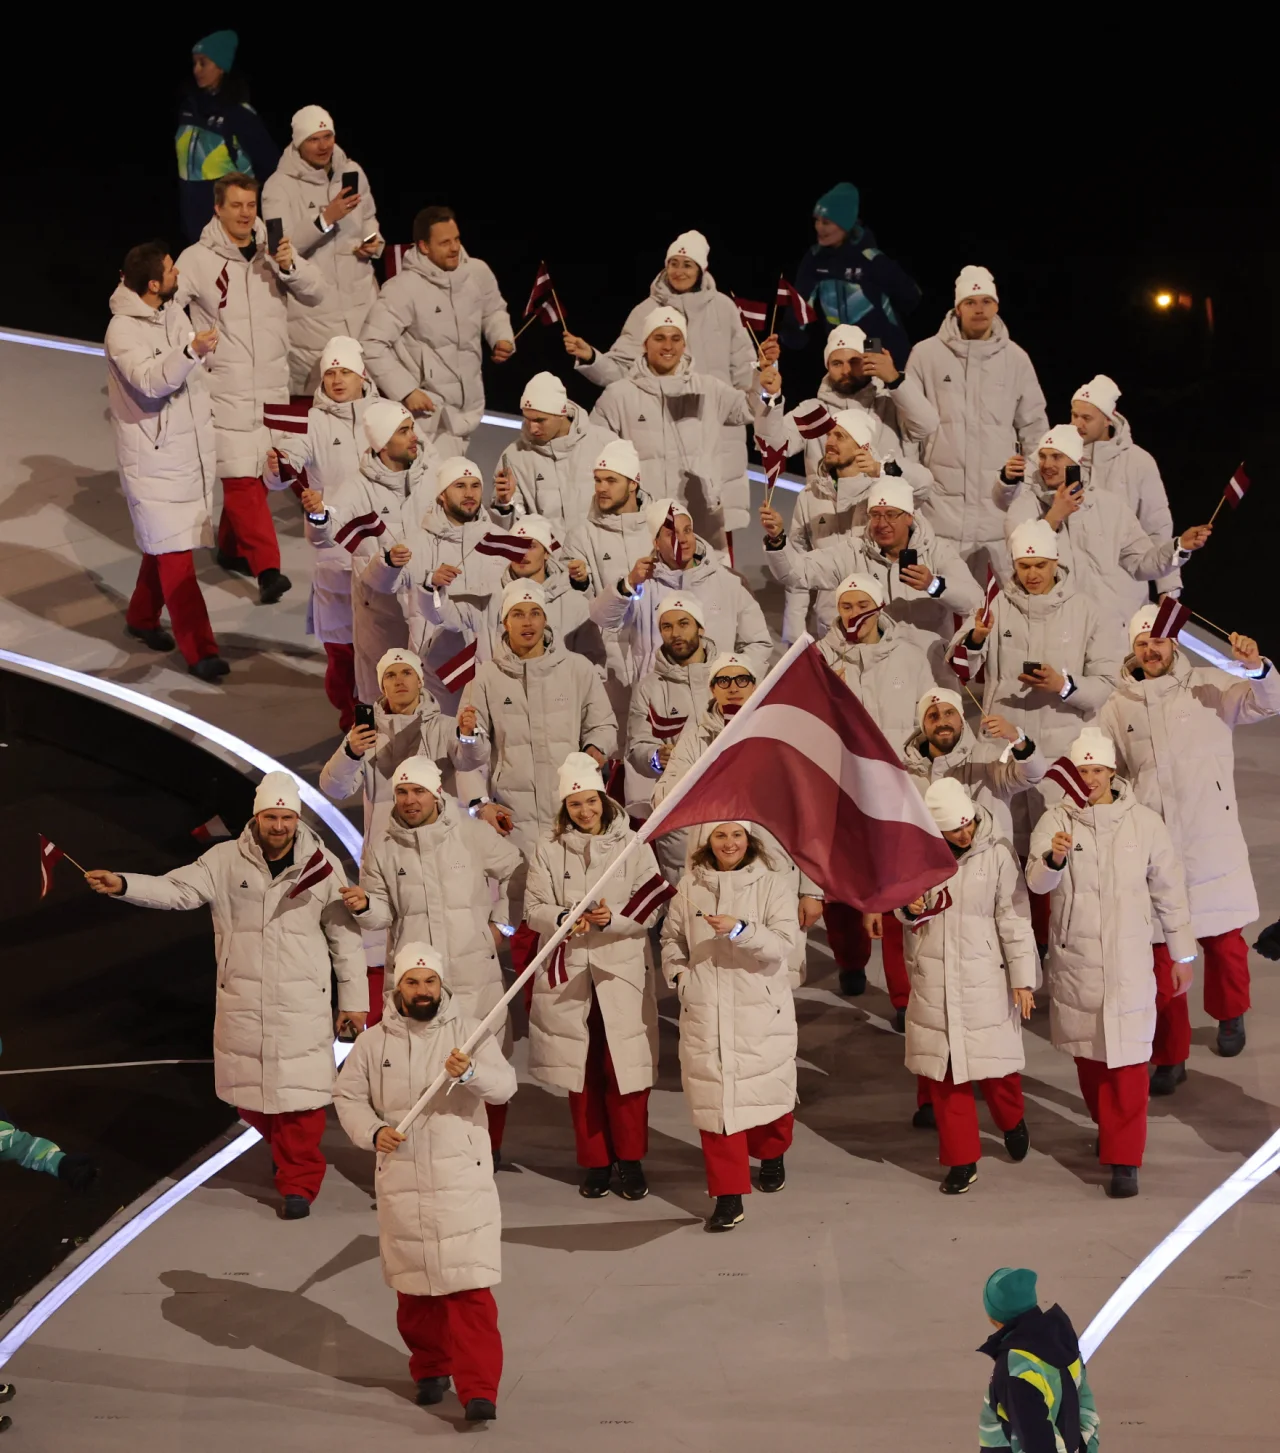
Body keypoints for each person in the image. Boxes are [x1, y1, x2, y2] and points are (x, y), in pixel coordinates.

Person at [85, 771, 365, 1218]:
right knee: (250, 1098)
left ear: (297, 818)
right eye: (271, 817)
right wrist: (124, 884)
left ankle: (299, 1183)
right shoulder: (223, 860)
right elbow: (176, 890)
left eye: (287, 818)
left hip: (302, 1003)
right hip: (243, 1000)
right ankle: (287, 1154)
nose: (279, 826)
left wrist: (353, 1003)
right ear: (257, 817)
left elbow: (345, 939)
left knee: (301, 1102)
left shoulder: (322, 866)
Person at [333, 943, 515, 1422]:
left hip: (461, 1181)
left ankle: (480, 1390)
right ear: (398, 986)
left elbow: (504, 1087)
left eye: (430, 981)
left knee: (469, 1289)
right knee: (415, 1291)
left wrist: (471, 1072)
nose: (422, 991)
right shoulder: (373, 1043)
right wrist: (373, 1132)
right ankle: (431, 1369)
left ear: (441, 984)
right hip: (402, 1178)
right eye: (412, 982)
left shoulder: (470, 1033)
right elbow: (348, 1097)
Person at [1102, 608, 1280, 1073]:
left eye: (1158, 641)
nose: (1151, 650)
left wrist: (1259, 669)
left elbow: (1269, 703)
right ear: (1132, 648)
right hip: (1157, 847)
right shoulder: (1118, 705)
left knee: (1224, 944)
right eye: (1142, 643)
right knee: (1163, 955)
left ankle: (1230, 1014)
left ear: (1174, 643)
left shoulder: (1210, 685)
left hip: (1210, 838)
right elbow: (1108, 771)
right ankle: (1170, 1055)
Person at [1026, 729, 1196, 1198]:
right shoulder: (1055, 820)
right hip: (1078, 962)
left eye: (1097, 770)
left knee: (1129, 1064)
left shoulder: (1144, 823)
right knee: (1091, 1061)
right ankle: (1110, 1129)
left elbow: (1169, 890)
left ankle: (1125, 1160)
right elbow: (1036, 883)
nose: (1090, 779)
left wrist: (1181, 952)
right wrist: (1053, 858)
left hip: (1130, 964)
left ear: (1112, 771)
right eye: (1082, 771)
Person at [342, 755, 521, 1154]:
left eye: (418, 791)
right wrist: (365, 907)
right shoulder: (383, 847)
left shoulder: (471, 834)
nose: (409, 800)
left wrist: (503, 925)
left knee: (484, 1062)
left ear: (436, 794)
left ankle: (484, 1153)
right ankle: (421, 1154)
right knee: (416, 1071)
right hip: (416, 984)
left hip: (474, 976)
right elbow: (381, 914)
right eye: (402, 792)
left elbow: (518, 871)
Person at [175, 172, 322, 604]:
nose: (244, 213)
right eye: (236, 205)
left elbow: (316, 293)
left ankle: (230, 547)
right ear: (217, 209)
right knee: (241, 479)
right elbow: (167, 309)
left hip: (272, 388)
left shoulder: (272, 251)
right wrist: (192, 348)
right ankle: (268, 570)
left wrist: (289, 264)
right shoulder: (196, 259)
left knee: (258, 473)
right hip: (223, 387)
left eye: (250, 205)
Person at [524, 754, 665, 1199]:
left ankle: (631, 1161)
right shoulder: (548, 848)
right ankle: (597, 1163)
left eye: (591, 801)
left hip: (621, 974)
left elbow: (652, 903)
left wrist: (612, 918)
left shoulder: (634, 844)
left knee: (625, 1073)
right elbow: (533, 909)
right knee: (581, 1073)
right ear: (564, 808)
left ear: (604, 799)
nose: (584, 811)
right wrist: (565, 918)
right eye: (575, 804)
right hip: (572, 975)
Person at [947, 520, 1124, 854]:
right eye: (1024, 565)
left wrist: (1063, 685)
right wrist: (976, 638)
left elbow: (1105, 683)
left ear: (1056, 562)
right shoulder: (994, 606)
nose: (1032, 574)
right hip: (1004, 753)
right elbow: (957, 665)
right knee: (1002, 848)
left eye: (1040, 565)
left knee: (1059, 851)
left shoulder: (1087, 610)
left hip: (1062, 752)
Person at [564, 231, 759, 533]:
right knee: (657, 530)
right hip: (656, 430)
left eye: (687, 264)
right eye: (673, 263)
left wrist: (760, 389)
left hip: (716, 431)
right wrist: (592, 357)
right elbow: (624, 374)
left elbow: (745, 372)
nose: (679, 271)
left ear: (701, 269)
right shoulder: (645, 312)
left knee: (712, 526)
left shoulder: (724, 308)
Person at [652, 654, 823, 986]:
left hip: (774, 871)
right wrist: (711, 765)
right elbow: (663, 799)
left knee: (776, 972)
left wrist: (813, 891)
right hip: (714, 872)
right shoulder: (697, 738)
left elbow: (810, 816)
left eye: (742, 679)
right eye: (724, 680)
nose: (733, 688)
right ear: (712, 689)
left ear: (756, 685)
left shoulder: (782, 735)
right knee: (716, 970)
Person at [661, 822, 799, 1231]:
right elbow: (671, 940)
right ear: (707, 841)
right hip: (706, 1007)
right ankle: (727, 1195)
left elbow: (783, 944)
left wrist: (742, 930)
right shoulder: (690, 887)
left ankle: (772, 1153)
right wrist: (680, 976)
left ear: (749, 838)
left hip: (759, 1007)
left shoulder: (772, 883)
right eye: (720, 836)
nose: (729, 843)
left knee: (767, 1091)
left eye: (736, 835)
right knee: (715, 1103)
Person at [903, 781, 1036, 1194]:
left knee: (997, 1070)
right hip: (935, 978)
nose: (965, 834)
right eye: (955, 829)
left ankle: (1012, 1121)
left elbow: (1014, 918)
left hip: (984, 979)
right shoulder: (917, 856)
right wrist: (908, 908)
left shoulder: (997, 854)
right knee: (946, 1077)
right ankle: (961, 1161)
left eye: (969, 824)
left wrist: (1022, 979)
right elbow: (903, 905)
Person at [815, 575, 934, 1021]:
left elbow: (927, 715)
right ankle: (850, 960)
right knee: (843, 889)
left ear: (880, 606)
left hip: (896, 788)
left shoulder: (909, 656)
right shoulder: (820, 658)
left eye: (862, 604)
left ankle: (902, 998)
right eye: (845, 606)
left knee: (897, 890)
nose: (854, 614)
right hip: (843, 786)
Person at [105, 241, 226, 680]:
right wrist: (191, 353)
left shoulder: (173, 311)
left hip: (185, 452)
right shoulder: (121, 331)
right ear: (154, 284)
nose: (178, 275)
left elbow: (191, 370)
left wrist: (200, 354)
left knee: (165, 545)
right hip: (153, 462)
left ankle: (141, 618)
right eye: (172, 270)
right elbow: (151, 382)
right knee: (176, 558)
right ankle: (201, 651)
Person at [586, 305, 781, 547]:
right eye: (659, 338)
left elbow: (750, 410)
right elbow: (592, 450)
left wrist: (762, 380)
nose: (668, 346)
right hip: (643, 519)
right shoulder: (619, 395)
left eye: (676, 338)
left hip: (700, 517)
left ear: (684, 344)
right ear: (645, 343)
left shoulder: (708, 388)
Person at [904, 265, 1048, 577]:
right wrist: (912, 488)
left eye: (986, 301)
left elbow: (1035, 428)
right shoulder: (926, 355)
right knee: (936, 598)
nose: (979, 309)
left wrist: (1029, 490)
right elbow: (909, 429)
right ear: (958, 308)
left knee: (998, 603)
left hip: (998, 514)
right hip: (939, 511)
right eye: (970, 302)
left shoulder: (1016, 359)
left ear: (997, 306)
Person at [762, 477, 982, 681]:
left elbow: (975, 602)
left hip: (928, 670)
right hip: (873, 675)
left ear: (909, 516)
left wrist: (934, 585)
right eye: (875, 514)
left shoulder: (937, 552)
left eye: (891, 514)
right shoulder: (854, 552)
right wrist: (777, 540)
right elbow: (796, 573)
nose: (881, 523)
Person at [267, 333, 381, 729]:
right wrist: (277, 467)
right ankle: (351, 719)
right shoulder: (309, 422)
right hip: (334, 553)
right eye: (330, 373)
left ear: (362, 375)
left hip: (381, 551)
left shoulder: (385, 417)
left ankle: (384, 717)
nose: (336, 380)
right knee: (342, 650)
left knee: (382, 646)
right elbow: (283, 469)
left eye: (345, 372)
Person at [998, 424, 1210, 629]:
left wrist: (1180, 547)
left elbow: (1141, 564)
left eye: (1056, 457)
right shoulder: (1024, 505)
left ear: (1077, 461)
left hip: (1105, 630)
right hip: (1053, 628)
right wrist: (1055, 515)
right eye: (1043, 456)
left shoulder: (1110, 506)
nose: (1046, 464)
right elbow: (1017, 557)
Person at [757, 402, 932, 643]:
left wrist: (881, 468)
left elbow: (925, 483)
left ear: (862, 447)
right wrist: (794, 633)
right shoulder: (810, 496)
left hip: (884, 623)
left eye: (840, 436)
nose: (829, 442)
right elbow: (798, 566)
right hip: (831, 625)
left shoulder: (886, 489)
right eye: (829, 435)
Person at [302, 400, 438, 704]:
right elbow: (325, 535)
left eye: (411, 428)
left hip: (426, 606)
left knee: (430, 695)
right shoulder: (358, 487)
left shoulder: (432, 478)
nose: (414, 437)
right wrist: (319, 516)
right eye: (403, 431)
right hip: (381, 612)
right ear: (383, 443)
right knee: (382, 698)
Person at [360, 206, 513, 455]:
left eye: (457, 239)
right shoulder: (403, 289)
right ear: (423, 246)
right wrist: (407, 390)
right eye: (444, 243)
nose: (454, 248)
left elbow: (494, 309)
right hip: (428, 416)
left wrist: (501, 337)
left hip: (470, 410)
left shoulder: (477, 273)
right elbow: (370, 344)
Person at [261, 106, 383, 395]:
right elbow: (280, 250)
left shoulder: (352, 172)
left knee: (368, 399)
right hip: (314, 316)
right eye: (314, 139)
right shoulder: (278, 187)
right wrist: (325, 219)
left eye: (328, 136)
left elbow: (369, 220)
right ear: (298, 143)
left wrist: (372, 241)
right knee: (325, 400)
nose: (323, 145)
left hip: (363, 307)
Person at [591, 495, 772, 687]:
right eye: (672, 533)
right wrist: (628, 584)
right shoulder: (642, 584)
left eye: (687, 530)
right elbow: (602, 619)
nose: (682, 540)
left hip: (713, 696)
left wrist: (737, 679)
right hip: (658, 697)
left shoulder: (729, 583)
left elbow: (758, 643)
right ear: (656, 542)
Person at [419, 514, 599, 670]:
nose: (522, 553)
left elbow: (593, 663)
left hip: (556, 697)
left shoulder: (573, 601)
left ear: (546, 553)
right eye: (516, 546)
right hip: (500, 695)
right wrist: (432, 586)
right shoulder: (488, 597)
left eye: (531, 546)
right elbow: (440, 615)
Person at [782, 182, 921, 367]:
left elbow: (911, 296)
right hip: (842, 345)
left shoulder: (870, 259)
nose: (818, 227)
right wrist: (792, 331)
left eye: (826, 222)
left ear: (845, 224)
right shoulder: (815, 259)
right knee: (844, 378)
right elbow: (800, 300)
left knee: (873, 378)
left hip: (877, 343)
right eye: (816, 220)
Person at [626, 592, 715, 877]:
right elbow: (637, 746)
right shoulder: (648, 688)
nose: (675, 633)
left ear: (700, 627)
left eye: (683, 623)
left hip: (728, 802)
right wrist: (655, 757)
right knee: (683, 890)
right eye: (667, 626)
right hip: (677, 808)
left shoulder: (728, 677)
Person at [1071, 374, 1180, 597]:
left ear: (1108, 419)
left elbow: (1157, 528)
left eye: (1086, 418)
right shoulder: (1059, 457)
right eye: (1074, 415)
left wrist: (1168, 588)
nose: (1077, 424)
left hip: (1124, 589)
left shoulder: (1139, 462)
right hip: (1072, 587)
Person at [903, 689, 1047, 848]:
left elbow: (1033, 774)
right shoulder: (908, 772)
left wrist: (1017, 738)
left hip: (992, 862)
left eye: (949, 713)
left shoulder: (987, 758)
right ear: (923, 725)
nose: (942, 722)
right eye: (933, 716)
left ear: (961, 718)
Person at [977, 1268, 1101, 1453]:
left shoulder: (1015, 1367)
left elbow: (1040, 1443)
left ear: (993, 1315)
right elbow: (1085, 1407)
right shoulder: (1062, 1342)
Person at [177, 31, 278, 244]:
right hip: (194, 228)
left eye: (203, 63)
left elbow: (271, 169)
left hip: (231, 231)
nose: (196, 70)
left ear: (221, 67)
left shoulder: (239, 114)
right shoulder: (188, 109)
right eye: (194, 63)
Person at [490, 372, 616, 533]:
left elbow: (630, 509)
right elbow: (514, 529)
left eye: (540, 420)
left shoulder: (606, 445)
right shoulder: (513, 457)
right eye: (527, 419)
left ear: (561, 413)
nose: (532, 428)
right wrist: (505, 505)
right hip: (546, 550)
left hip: (599, 548)